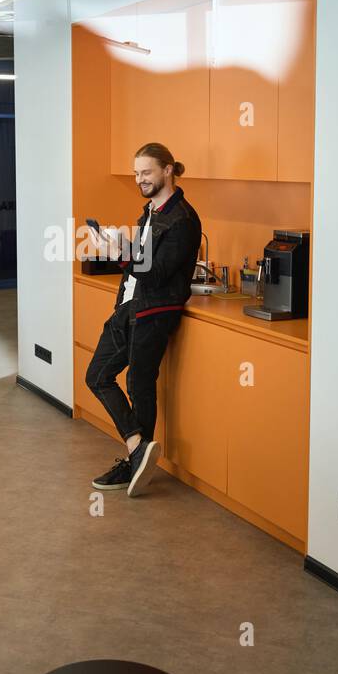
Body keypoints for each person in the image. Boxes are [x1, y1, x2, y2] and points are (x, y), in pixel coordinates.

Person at [85, 142, 202, 497]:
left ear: (168, 170)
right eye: (136, 173)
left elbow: (159, 273)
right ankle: (137, 447)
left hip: (155, 311)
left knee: (138, 383)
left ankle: (136, 460)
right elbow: (142, 264)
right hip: (130, 307)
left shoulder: (182, 219)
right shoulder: (150, 212)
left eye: (147, 172)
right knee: (97, 375)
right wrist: (121, 248)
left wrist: (120, 254)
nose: (140, 179)